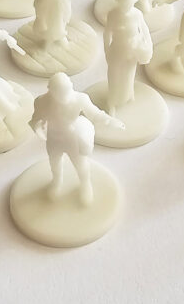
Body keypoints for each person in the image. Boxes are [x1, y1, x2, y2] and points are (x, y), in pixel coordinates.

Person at [30, 73, 124, 205]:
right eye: (60, 91)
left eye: (67, 89)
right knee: (55, 162)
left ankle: (86, 185)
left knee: (80, 163)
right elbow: (35, 119)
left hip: (71, 137)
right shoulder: (42, 101)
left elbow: (95, 114)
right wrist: (38, 128)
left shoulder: (80, 99)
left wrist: (110, 121)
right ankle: (57, 182)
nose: (65, 94)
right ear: (51, 90)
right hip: (53, 138)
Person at [103, 0, 154, 114]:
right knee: (114, 75)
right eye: (124, 2)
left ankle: (128, 96)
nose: (126, 5)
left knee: (129, 74)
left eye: (129, 2)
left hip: (132, 49)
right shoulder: (113, 14)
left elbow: (145, 30)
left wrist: (148, 46)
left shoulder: (137, 14)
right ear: (119, 1)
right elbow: (107, 33)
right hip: (117, 49)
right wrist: (107, 51)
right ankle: (112, 102)